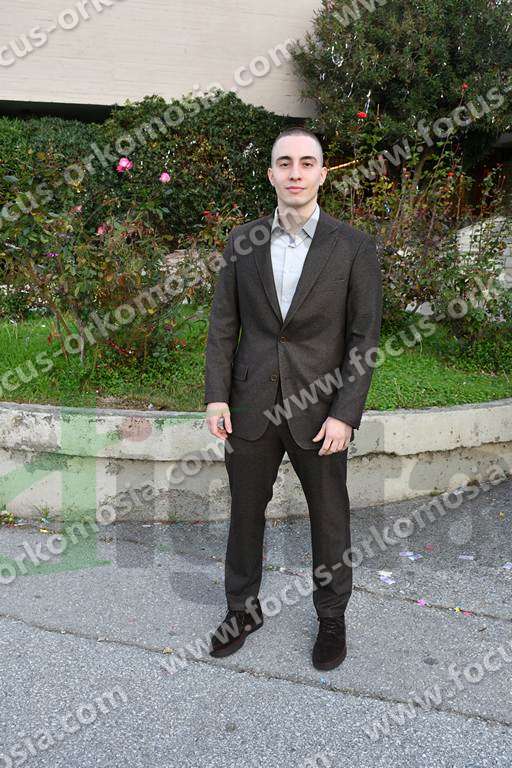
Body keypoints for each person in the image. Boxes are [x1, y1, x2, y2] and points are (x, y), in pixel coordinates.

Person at [204, 127, 382, 670]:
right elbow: (223, 326)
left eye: (307, 163)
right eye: (285, 163)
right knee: (245, 514)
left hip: (321, 410)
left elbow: (364, 339)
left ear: (323, 174)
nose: (295, 172)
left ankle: (331, 618)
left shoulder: (352, 246)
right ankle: (241, 610)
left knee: (329, 518)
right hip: (250, 405)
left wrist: (345, 414)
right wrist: (216, 397)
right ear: (271, 174)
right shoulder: (243, 241)